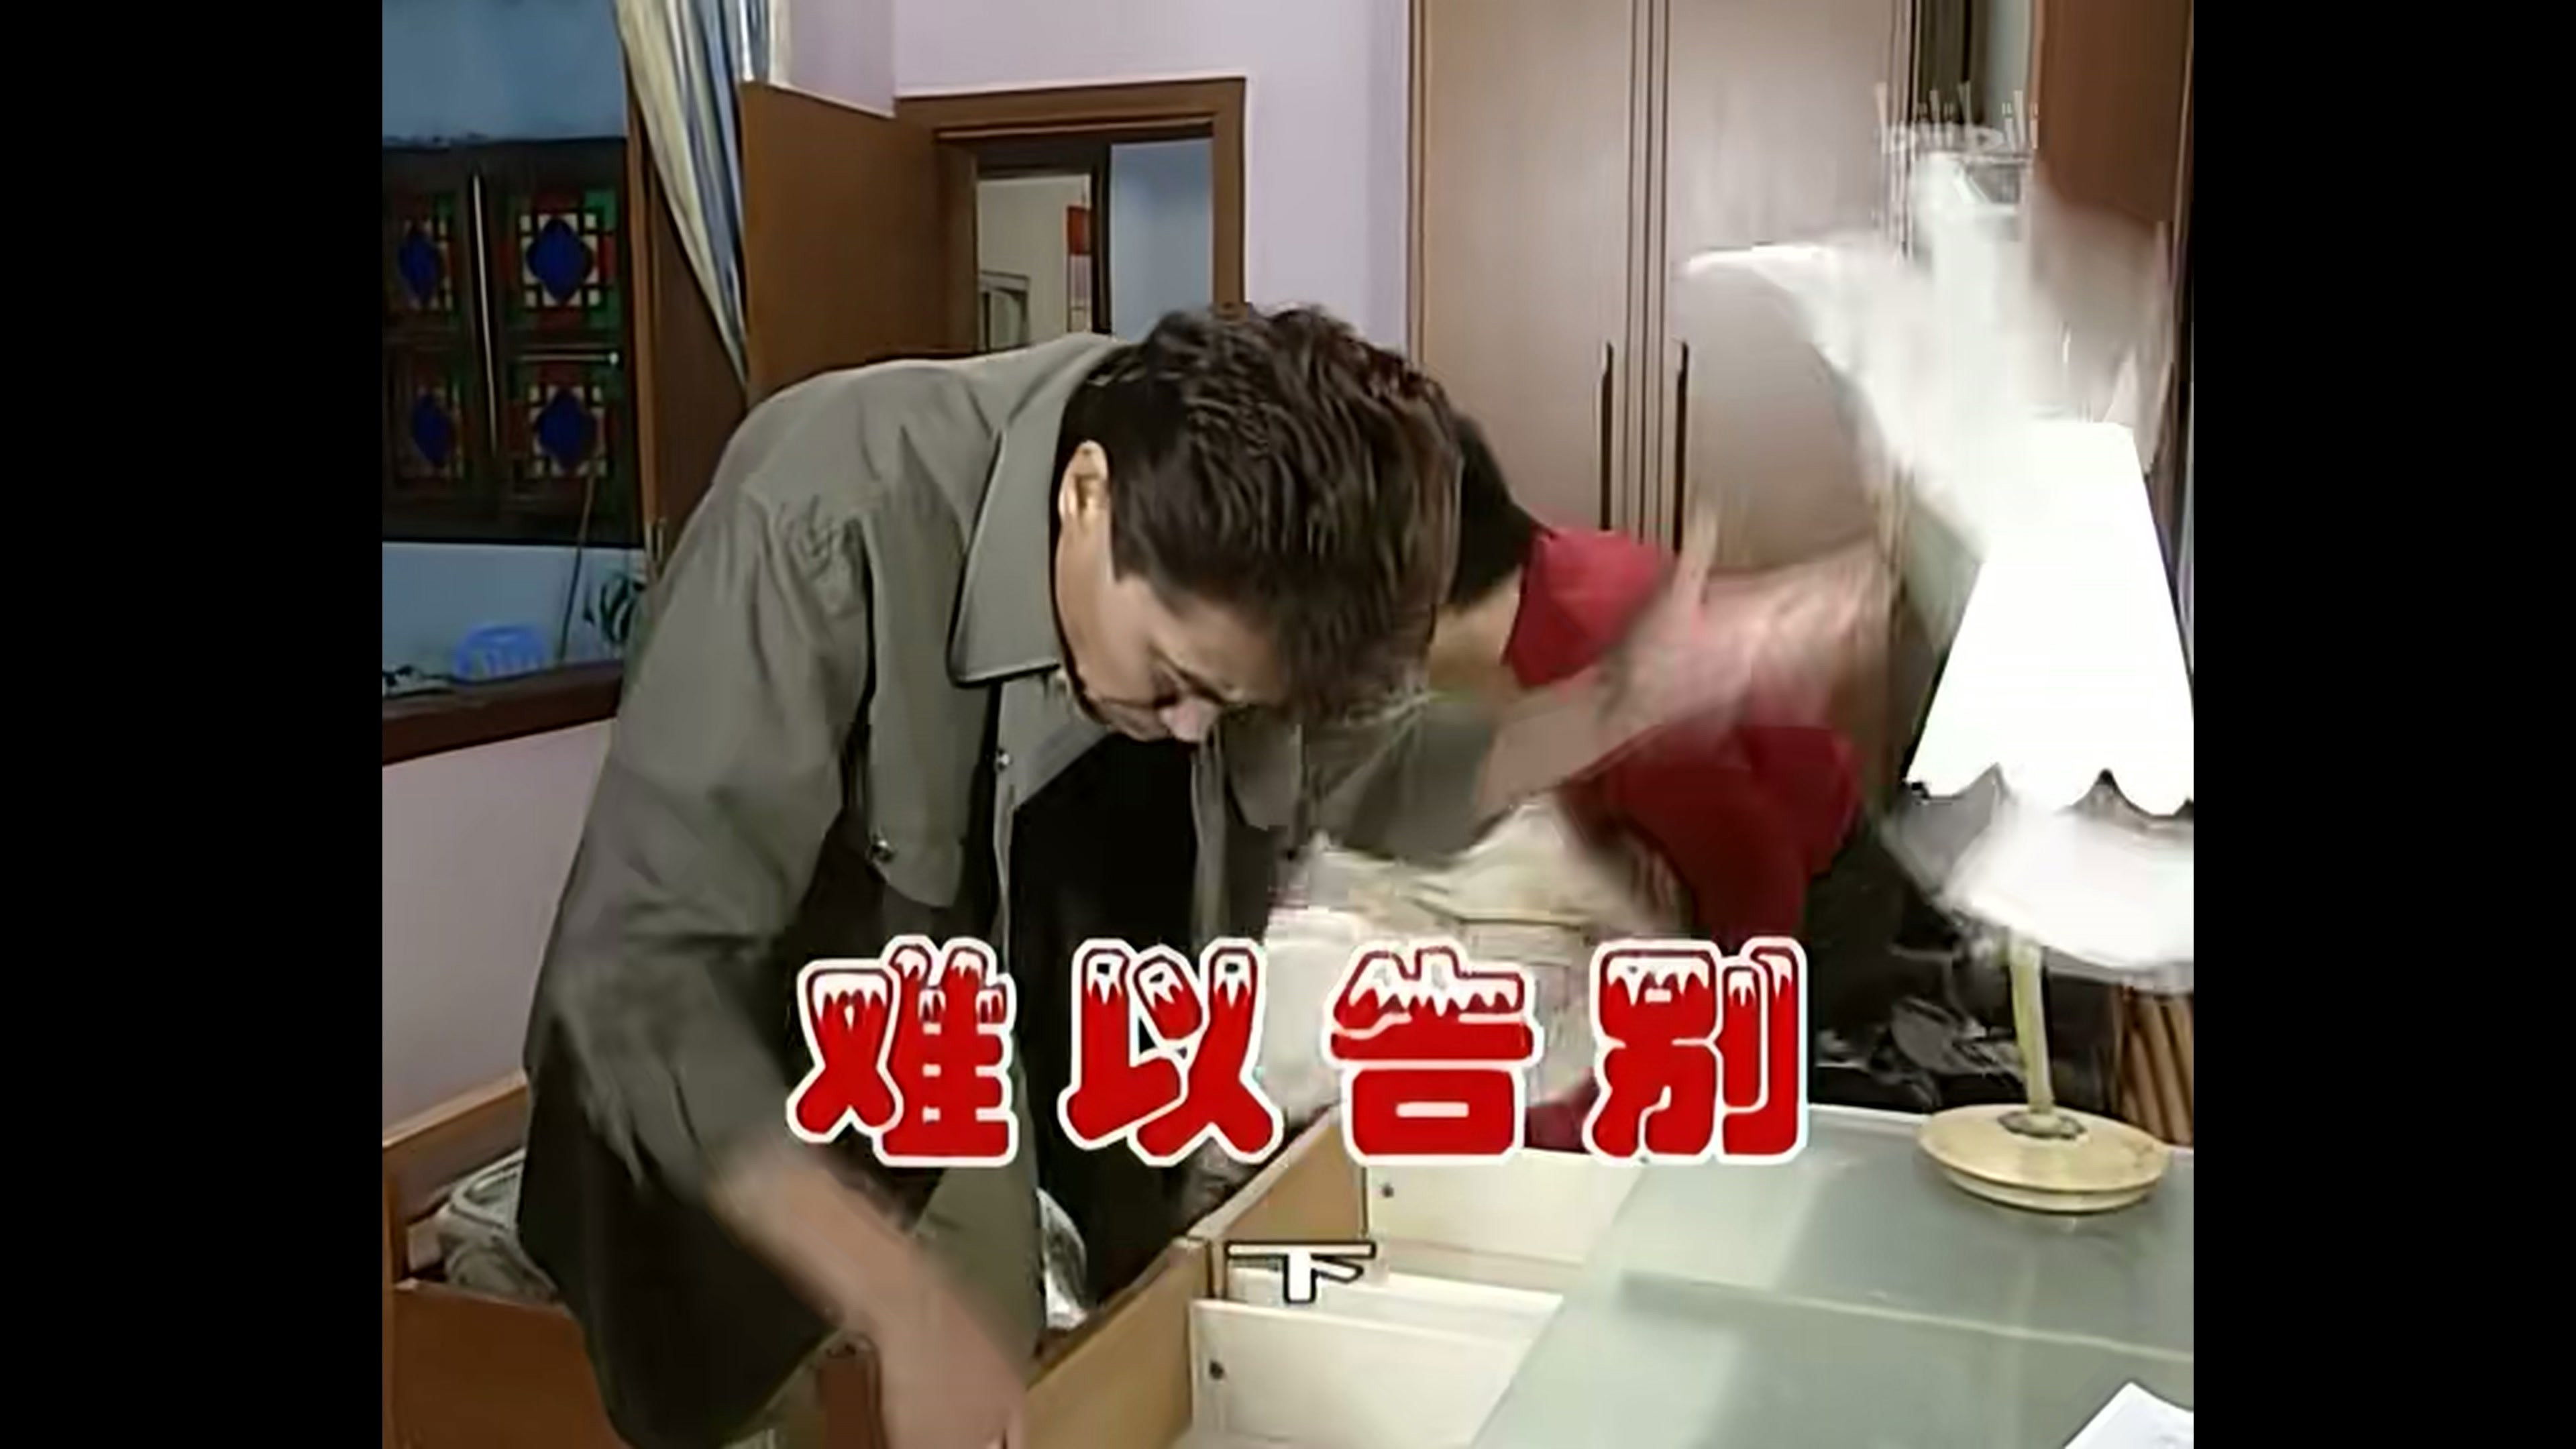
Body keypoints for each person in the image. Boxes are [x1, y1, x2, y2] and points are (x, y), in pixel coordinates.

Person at [516, 307, 1882, 1449]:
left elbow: (1378, 777)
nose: (1186, 731)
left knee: (1039, 1372)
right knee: (770, 1380)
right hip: (736, 1076)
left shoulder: (1239, 541)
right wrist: (899, 1299)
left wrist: (1622, 699)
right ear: (1086, 493)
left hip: (966, 1039)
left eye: (1225, 705)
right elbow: (638, 984)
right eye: (1172, 680)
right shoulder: (822, 516)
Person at [1426, 419, 1868, 1150]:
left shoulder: (1611, 661)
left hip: (1812, 889)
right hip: (1714, 850)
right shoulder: (1542, 576)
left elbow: (1753, 927)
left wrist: (1564, 1126)